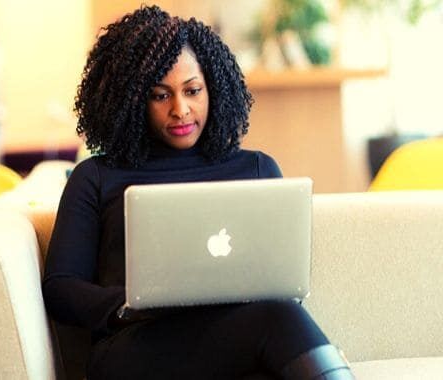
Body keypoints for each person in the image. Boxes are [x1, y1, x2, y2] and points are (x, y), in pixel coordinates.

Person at [43, 5, 354, 379]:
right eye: (161, 95)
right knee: (280, 320)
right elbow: (61, 288)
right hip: (136, 348)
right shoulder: (95, 176)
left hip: (237, 339)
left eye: (192, 91)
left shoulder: (257, 169)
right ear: (133, 100)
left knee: (272, 344)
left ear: (213, 89)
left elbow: (277, 276)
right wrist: (130, 304)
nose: (180, 109)